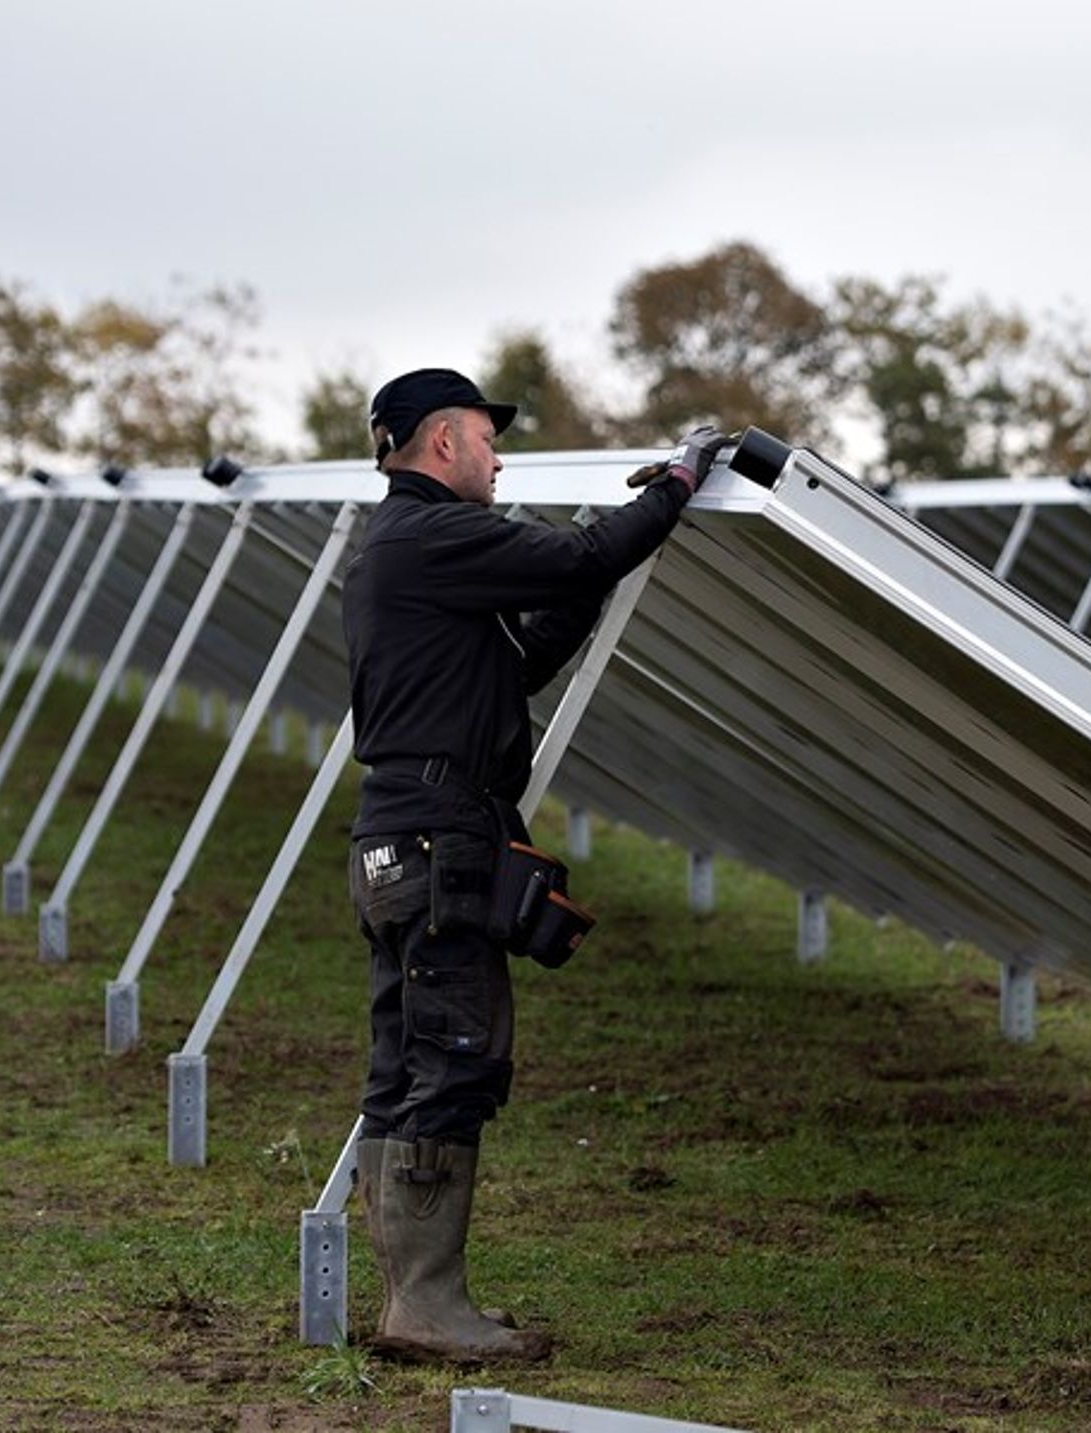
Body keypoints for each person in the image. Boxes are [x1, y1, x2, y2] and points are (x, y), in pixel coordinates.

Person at [341, 367, 720, 1363]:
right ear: (439, 443)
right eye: (484, 437)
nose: (497, 457)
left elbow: (518, 659)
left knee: (407, 1066)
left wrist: (594, 569)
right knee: (453, 1059)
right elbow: (580, 553)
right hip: (434, 839)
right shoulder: (432, 532)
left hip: (404, 831)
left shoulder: (406, 547)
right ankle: (424, 1305)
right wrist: (675, 484)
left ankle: (414, 1297)